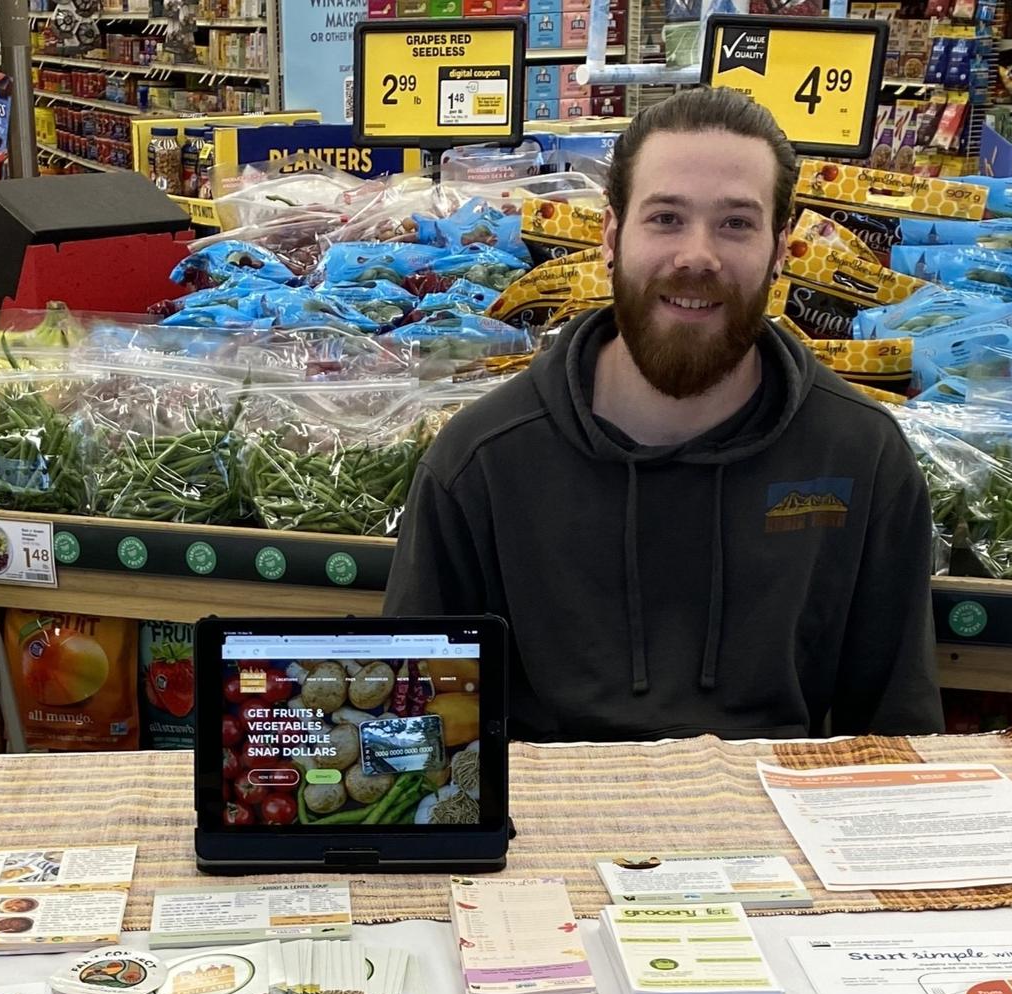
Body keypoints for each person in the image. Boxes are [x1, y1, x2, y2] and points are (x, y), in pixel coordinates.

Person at [385, 87, 943, 744]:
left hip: (771, 828)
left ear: (780, 250)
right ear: (612, 238)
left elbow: (896, 742)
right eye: (666, 219)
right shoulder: (480, 464)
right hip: (550, 833)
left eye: (736, 223)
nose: (697, 255)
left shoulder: (859, 455)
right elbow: (413, 735)